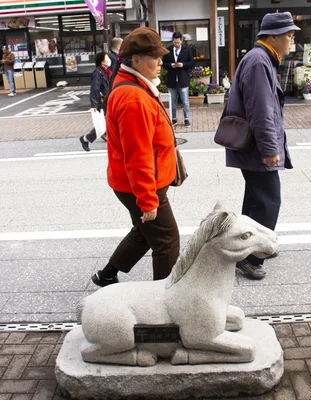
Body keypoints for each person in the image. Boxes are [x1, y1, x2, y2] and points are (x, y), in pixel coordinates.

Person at [91, 27, 180, 287]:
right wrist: (147, 200)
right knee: (166, 240)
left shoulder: (134, 86)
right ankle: (164, 300)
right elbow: (137, 155)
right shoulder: (133, 98)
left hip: (135, 182)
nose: (161, 61)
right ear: (136, 60)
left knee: (144, 232)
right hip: (142, 184)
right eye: (155, 57)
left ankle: (106, 275)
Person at [225, 12, 299, 280]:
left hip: (252, 146)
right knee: (268, 201)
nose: (292, 40)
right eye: (289, 35)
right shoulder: (259, 62)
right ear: (273, 36)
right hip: (257, 149)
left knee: (256, 200)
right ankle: (252, 257)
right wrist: (270, 150)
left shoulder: (262, 59)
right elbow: (261, 111)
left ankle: (245, 250)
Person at [79, 52, 112, 152]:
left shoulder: (107, 72)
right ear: (102, 61)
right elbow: (95, 89)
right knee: (103, 125)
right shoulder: (97, 72)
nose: (109, 59)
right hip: (102, 102)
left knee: (109, 122)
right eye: (107, 58)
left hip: (109, 100)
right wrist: (94, 104)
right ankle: (85, 139)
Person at [162, 31, 194, 127]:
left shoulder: (187, 49)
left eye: (178, 43)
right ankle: (173, 118)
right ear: (173, 40)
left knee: (185, 100)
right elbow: (163, 63)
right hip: (171, 78)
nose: (176, 44)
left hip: (183, 78)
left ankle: (186, 119)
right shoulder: (168, 50)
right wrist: (171, 65)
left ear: (181, 40)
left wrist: (183, 65)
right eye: (175, 43)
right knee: (172, 101)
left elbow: (192, 62)